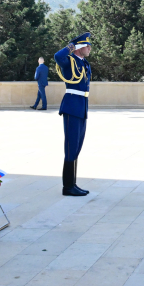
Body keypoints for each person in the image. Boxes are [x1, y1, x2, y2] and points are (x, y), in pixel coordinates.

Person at [54, 32, 92, 196]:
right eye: (86, 45)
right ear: (79, 47)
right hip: (71, 106)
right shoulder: (69, 61)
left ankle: (73, 184)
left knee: (77, 145)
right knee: (70, 146)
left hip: (81, 106)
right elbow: (57, 56)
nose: (89, 48)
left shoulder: (84, 63)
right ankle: (67, 187)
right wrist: (71, 45)